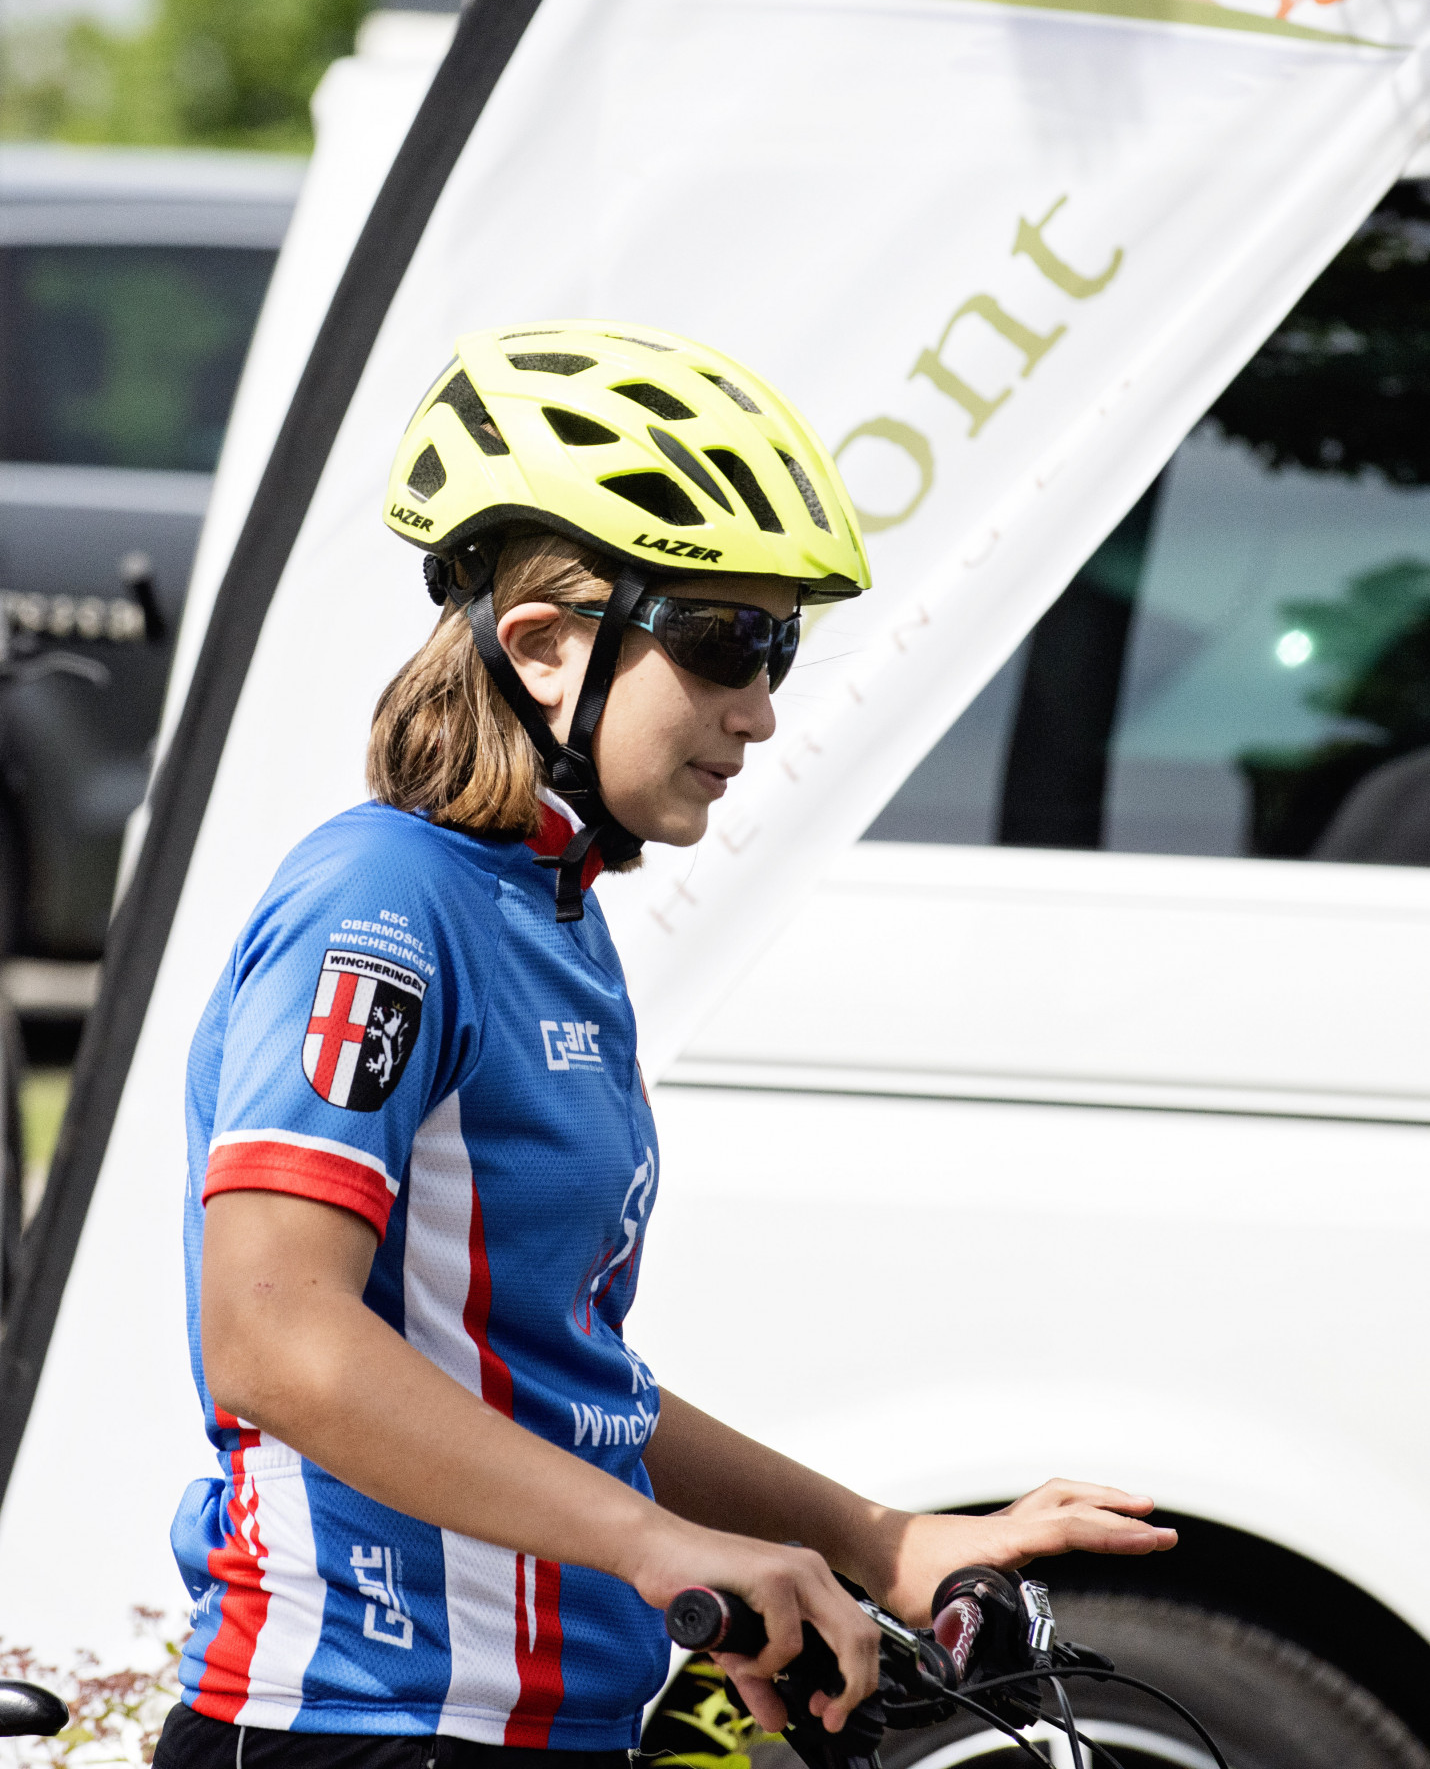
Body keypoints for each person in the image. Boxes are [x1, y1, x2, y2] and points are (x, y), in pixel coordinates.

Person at [157, 322, 1175, 1769]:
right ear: (543, 646)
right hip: (366, 1719)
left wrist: (878, 1541)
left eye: (780, 648)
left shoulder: (548, 914)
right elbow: (272, 1334)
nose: (760, 708)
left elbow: (553, 1375)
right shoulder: (381, 903)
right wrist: (654, 1546)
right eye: (722, 643)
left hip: (546, 1724)